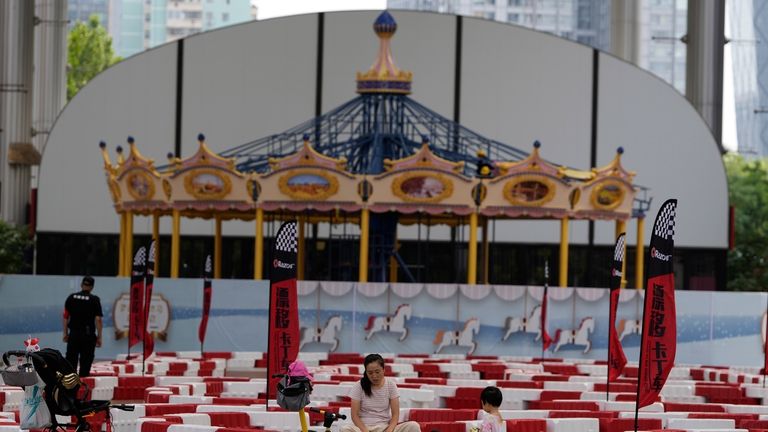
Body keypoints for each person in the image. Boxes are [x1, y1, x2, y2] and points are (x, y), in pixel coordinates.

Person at [341, 353, 420, 432]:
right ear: (366, 372)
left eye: (377, 372)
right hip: (363, 428)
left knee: (413, 426)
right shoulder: (358, 386)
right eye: (370, 373)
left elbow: (395, 415)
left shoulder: (391, 385)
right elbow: (354, 416)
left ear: (383, 370)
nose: (374, 376)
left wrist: (389, 430)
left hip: (384, 427)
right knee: (345, 429)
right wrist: (365, 431)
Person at [62, 276, 103, 377]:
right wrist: (99, 336)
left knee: (70, 363)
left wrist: (65, 333)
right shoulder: (94, 300)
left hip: (74, 335)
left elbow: (65, 317)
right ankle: (83, 388)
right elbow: (98, 319)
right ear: (92, 287)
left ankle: (70, 389)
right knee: (85, 363)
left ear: (81, 285)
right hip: (88, 336)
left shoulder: (71, 297)